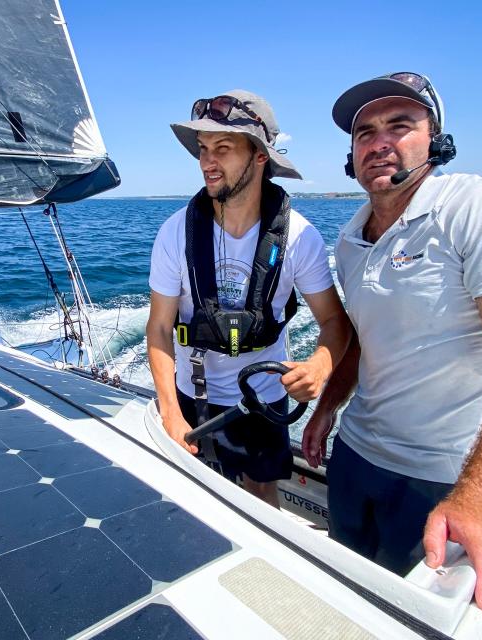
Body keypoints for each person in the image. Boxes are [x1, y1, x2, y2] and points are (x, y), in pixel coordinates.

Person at [301, 72, 482, 629]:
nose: (379, 142)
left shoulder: (481, 206)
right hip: (355, 459)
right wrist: (327, 408)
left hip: (442, 479)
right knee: (345, 602)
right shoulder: (352, 236)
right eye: (364, 132)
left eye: (400, 125)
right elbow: (360, 338)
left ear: (436, 140)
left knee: (409, 621)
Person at [147, 90, 351, 508]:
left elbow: (335, 322)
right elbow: (159, 327)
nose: (207, 162)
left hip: (263, 397)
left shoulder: (299, 237)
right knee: (194, 499)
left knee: (263, 494)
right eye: (203, 149)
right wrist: (169, 409)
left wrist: (319, 365)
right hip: (192, 394)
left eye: (222, 148)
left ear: (260, 156)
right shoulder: (173, 233)